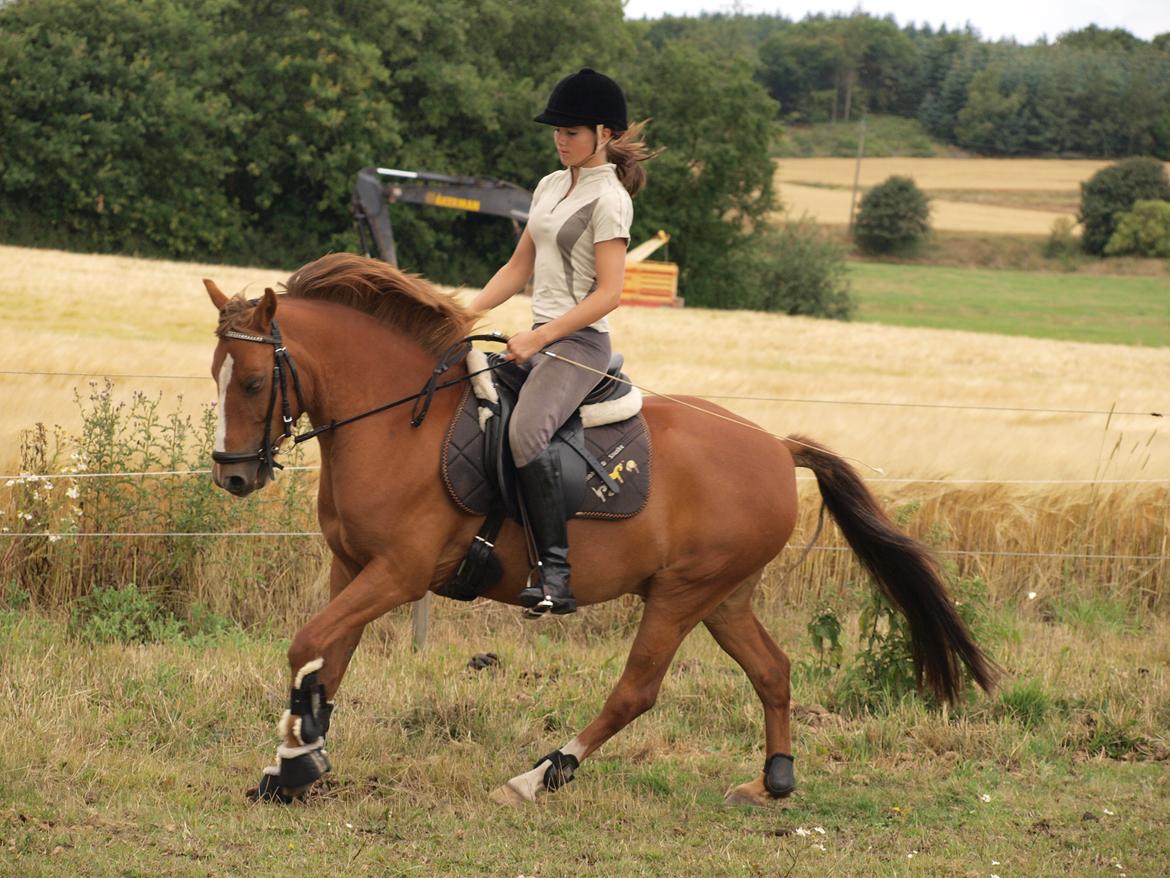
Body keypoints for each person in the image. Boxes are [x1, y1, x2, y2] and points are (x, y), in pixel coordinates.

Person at [470, 67, 659, 616]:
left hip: (578, 346)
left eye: (571, 131)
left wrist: (541, 336)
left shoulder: (611, 201)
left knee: (528, 431)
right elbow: (517, 267)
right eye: (556, 130)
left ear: (604, 134)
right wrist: (460, 314)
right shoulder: (550, 185)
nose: (560, 139)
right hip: (536, 337)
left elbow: (609, 294)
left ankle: (555, 572)